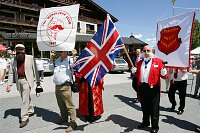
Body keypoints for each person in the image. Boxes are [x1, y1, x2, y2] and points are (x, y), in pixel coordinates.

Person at [133, 45, 168, 133]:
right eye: (144, 51)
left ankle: (155, 126)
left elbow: (165, 76)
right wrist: (134, 72)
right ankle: (145, 122)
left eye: (148, 50)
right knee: (144, 107)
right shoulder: (139, 63)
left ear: (152, 51)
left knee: (154, 108)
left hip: (153, 87)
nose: (146, 52)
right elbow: (138, 75)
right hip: (142, 87)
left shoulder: (158, 61)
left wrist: (164, 73)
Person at [6, 44, 40, 128]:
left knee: (24, 99)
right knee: (25, 97)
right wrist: (9, 84)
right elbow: (11, 73)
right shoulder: (14, 60)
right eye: (18, 49)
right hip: (19, 81)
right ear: (15, 50)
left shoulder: (30, 58)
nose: (20, 51)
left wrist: (38, 81)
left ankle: (24, 118)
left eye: (21, 49)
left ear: (24, 50)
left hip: (27, 80)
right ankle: (31, 110)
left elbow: (35, 70)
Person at [49, 51, 77, 132]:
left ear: (65, 52)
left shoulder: (70, 60)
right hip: (57, 86)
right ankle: (64, 118)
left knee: (69, 106)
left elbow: (75, 68)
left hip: (66, 86)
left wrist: (74, 56)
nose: (59, 53)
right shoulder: (57, 60)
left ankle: (73, 123)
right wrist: (51, 58)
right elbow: (51, 68)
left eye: (61, 52)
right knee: (61, 104)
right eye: (58, 52)